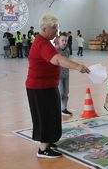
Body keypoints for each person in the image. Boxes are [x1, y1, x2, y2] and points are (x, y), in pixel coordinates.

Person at [26, 14, 90, 158]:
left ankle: (48, 141)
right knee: (45, 116)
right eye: (54, 28)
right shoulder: (41, 43)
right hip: (39, 87)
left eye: (57, 27)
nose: (57, 31)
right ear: (44, 29)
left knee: (53, 115)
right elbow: (58, 60)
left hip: (48, 86)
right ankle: (43, 149)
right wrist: (77, 66)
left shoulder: (46, 42)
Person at [56, 32, 72, 116]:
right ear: (59, 40)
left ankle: (64, 108)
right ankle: (58, 108)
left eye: (66, 40)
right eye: (62, 40)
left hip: (66, 75)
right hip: (58, 76)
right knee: (60, 92)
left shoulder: (67, 50)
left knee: (66, 92)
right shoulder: (55, 50)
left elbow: (68, 62)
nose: (64, 42)